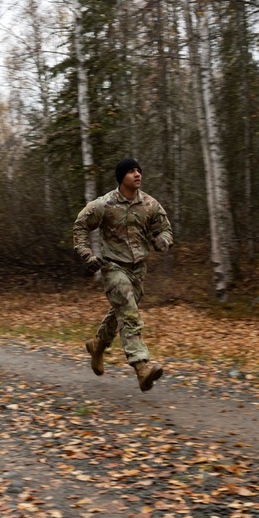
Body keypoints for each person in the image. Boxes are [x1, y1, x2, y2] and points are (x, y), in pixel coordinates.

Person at [73, 158, 173, 392]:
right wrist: (87, 254)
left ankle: (97, 345)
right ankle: (141, 368)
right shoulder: (104, 205)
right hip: (113, 267)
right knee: (129, 313)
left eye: (139, 170)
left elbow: (166, 229)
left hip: (138, 269)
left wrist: (163, 241)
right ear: (121, 177)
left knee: (122, 310)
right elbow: (80, 226)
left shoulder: (150, 204)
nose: (137, 174)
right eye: (131, 171)